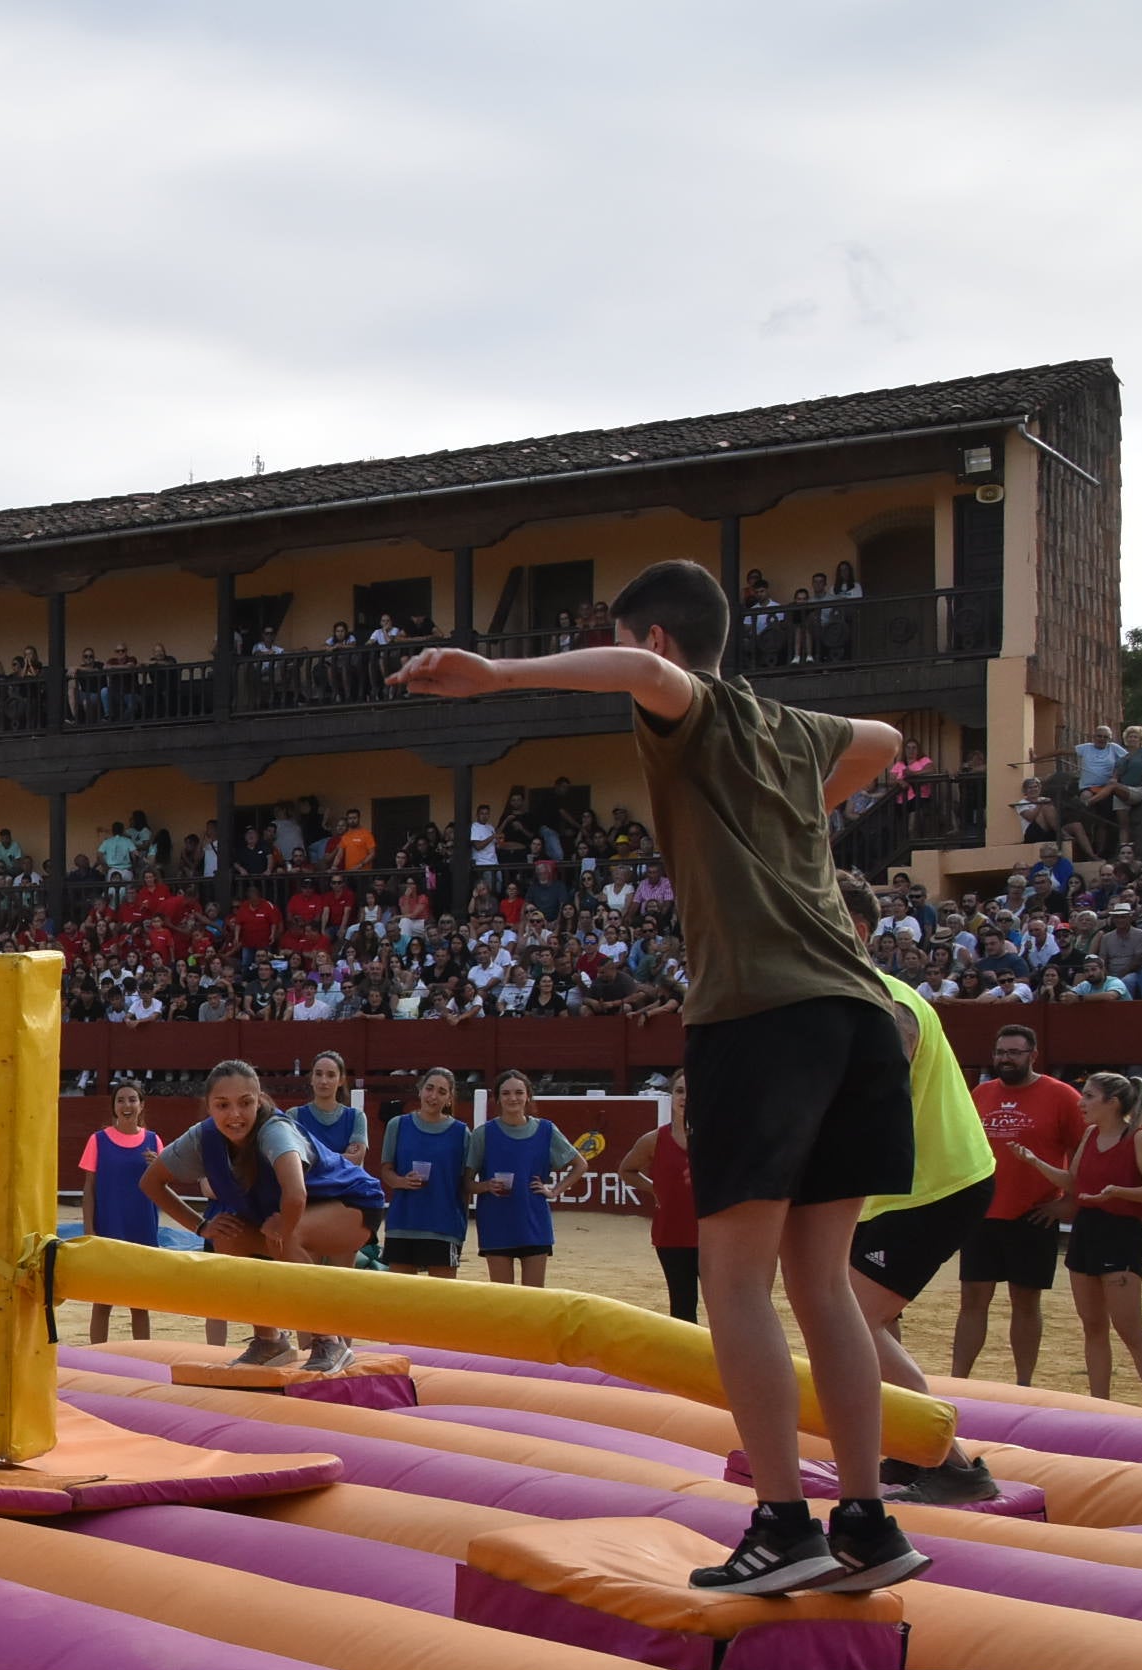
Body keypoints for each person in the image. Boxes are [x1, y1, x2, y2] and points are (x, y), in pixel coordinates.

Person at [395, 558, 923, 1596]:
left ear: (657, 642)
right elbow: (886, 742)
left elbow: (646, 680)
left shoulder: (693, 704)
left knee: (735, 1278)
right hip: (859, 1014)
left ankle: (782, 1521)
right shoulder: (789, 728)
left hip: (761, 1014)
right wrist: (793, 812)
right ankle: (863, 1515)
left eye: (633, 644)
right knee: (820, 1283)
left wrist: (497, 672)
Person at [832, 874, 1005, 1505]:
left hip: (934, 1185)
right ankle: (911, 1447)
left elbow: (892, 1055)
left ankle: (951, 1462)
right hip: (900, 1191)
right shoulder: (857, 994)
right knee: (858, 1319)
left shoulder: (881, 996)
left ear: (851, 929)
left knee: (847, 1319)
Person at [137, 1059, 384, 1374]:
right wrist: (202, 1227)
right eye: (222, 1105)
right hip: (297, 1210)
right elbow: (150, 1182)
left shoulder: (275, 1131)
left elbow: (295, 1194)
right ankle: (269, 1340)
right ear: (209, 1106)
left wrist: (283, 1228)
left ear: (260, 1100)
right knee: (228, 1236)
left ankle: (329, 1340)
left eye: (245, 1103)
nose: (234, 1114)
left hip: (355, 1205)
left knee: (289, 1234)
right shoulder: (202, 1137)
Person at [955, 1023, 1083, 1387]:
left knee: (1025, 1302)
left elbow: (1086, 1149)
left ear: (1033, 1056)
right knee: (972, 1299)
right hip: (983, 1212)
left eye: (1014, 1052)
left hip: (1034, 1214)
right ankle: (959, 1381)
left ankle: (1023, 1384)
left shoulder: (1062, 1096)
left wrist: (1069, 1203)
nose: (1005, 1059)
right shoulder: (981, 1093)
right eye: (1000, 1053)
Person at [1062, 1073, 1142, 1411]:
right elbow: (1073, 1181)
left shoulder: (1138, 1138)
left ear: (1113, 1102)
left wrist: (1118, 1192)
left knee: (1129, 1328)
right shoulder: (1091, 1134)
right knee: (1092, 1325)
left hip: (1120, 1233)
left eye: (1090, 1096)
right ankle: (1099, 1405)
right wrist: (1034, 1164)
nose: (1082, 1102)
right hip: (1087, 1229)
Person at [472, 1070, 585, 1287]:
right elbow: (467, 1181)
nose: (512, 1098)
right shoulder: (483, 1134)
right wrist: (486, 1185)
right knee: (503, 1300)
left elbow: (580, 1164)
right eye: (506, 1093)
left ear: (528, 1096)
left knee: (533, 1300)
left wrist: (553, 1191)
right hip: (496, 1223)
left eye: (518, 1092)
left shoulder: (546, 1130)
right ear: (497, 1098)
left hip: (533, 1221)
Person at [75, 1081, 166, 1343]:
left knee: (140, 1303)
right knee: (103, 1302)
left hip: (142, 1229)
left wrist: (159, 1168)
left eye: (132, 1099)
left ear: (141, 1105)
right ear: (114, 1107)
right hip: (108, 1228)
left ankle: (142, 1357)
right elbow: (89, 1188)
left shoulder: (153, 1140)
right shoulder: (98, 1140)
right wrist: (89, 1230)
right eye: (121, 1100)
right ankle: (97, 1357)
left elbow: (163, 1186)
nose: (127, 1105)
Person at [620, 1074, 699, 1321]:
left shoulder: (718, 1139)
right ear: (672, 1096)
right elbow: (626, 1170)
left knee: (725, 1305)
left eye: (692, 1091)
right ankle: (686, 1358)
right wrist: (656, 1189)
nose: (685, 1097)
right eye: (679, 1091)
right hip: (672, 1234)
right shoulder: (654, 1140)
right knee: (682, 1305)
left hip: (713, 1234)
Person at [380, 1068, 473, 1278]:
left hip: (444, 1226)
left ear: (449, 1099)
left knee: (442, 1302)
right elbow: (386, 1170)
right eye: (429, 1088)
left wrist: (460, 1230)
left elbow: (464, 1184)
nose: (433, 1096)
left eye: (441, 1091)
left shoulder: (461, 1133)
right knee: (402, 1299)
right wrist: (402, 1181)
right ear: (420, 1090)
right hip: (403, 1223)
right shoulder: (398, 1125)